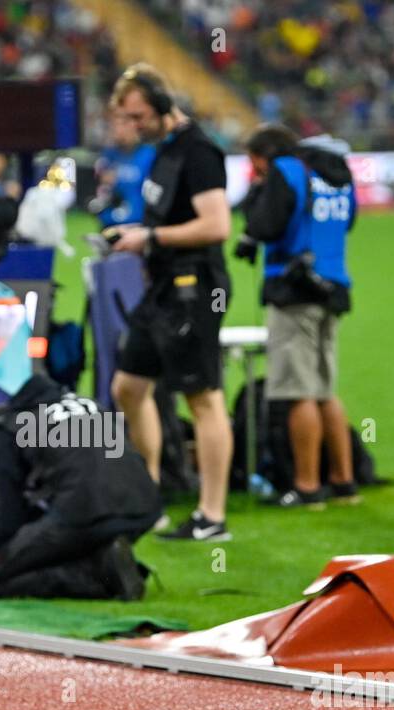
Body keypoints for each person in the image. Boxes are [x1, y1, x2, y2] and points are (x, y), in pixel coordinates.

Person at [107, 64, 234, 542]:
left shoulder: (198, 151)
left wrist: (150, 237)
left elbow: (217, 224)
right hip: (162, 288)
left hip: (194, 288)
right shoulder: (163, 152)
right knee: (128, 387)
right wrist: (135, 237)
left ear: (163, 106)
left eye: (139, 116)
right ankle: (150, 496)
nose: (133, 126)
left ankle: (212, 516)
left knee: (203, 397)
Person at [235, 124, 359, 510]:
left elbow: (267, 224)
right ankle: (343, 482)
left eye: (257, 167)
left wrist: (256, 207)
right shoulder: (335, 173)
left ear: (266, 156)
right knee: (324, 389)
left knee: (297, 392)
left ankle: (307, 487)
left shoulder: (287, 171)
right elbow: (349, 221)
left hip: (293, 287)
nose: (256, 174)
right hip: (333, 285)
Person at [0, 374, 161, 600]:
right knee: (67, 541)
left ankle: (97, 575)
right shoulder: (91, 404)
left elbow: (11, 509)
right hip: (145, 506)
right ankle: (106, 558)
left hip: (86, 512)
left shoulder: (6, 428)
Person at [92, 108, 157, 228]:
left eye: (123, 124)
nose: (118, 129)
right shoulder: (108, 155)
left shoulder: (149, 155)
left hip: (136, 225)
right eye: (114, 124)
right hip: (108, 223)